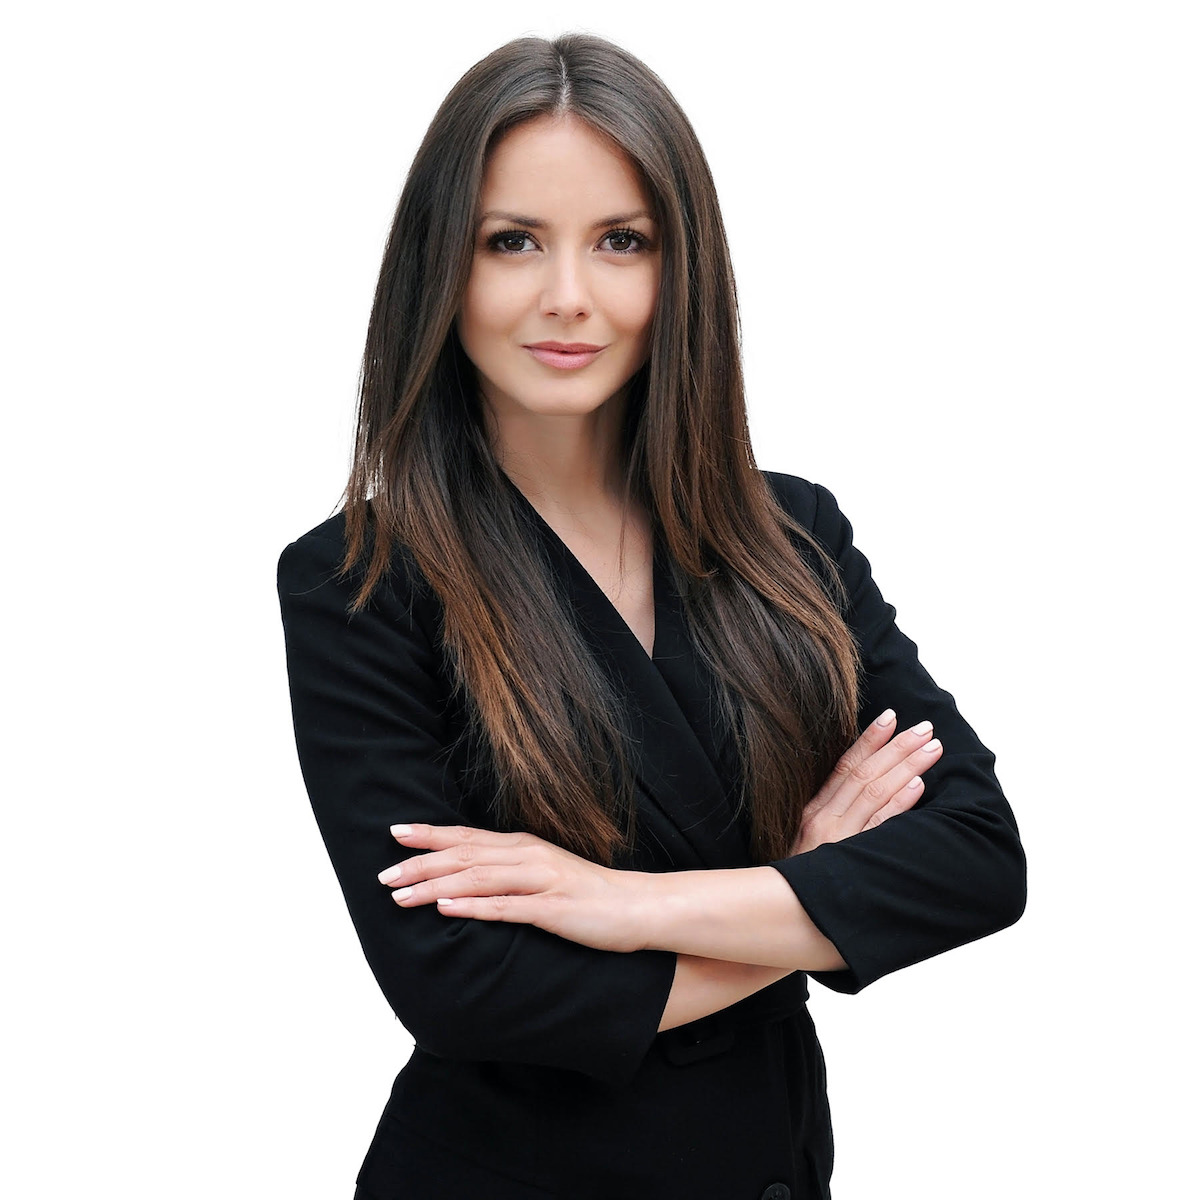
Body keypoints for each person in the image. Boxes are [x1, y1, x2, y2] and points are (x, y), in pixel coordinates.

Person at [276, 32, 1026, 1200]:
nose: (568, 296)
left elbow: (974, 857)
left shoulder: (793, 537)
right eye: (512, 241)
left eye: (621, 241)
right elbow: (463, 986)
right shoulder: (360, 579)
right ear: (441, 267)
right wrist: (802, 888)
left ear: (681, 272)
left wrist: (619, 906)